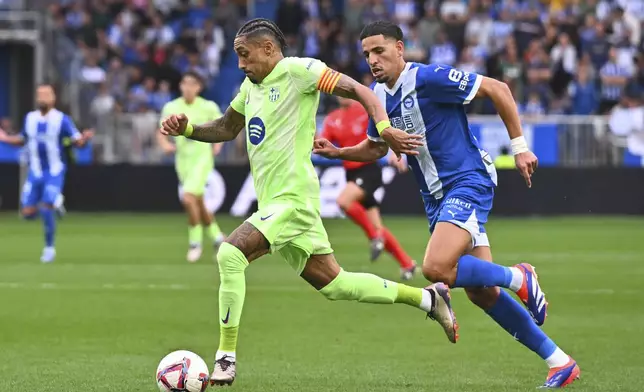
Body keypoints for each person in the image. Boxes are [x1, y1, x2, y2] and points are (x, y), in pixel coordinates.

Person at [160, 18, 457, 387]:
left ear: (268, 49)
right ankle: (429, 300)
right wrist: (187, 129)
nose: (240, 64)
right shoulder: (249, 87)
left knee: (229, 254)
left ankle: (226, 356)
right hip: (276, 203)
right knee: (337, 285)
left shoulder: (300, 70)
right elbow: (226, 127)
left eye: (244, 54)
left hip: (293, 199)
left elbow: (362, 93)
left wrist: (383, 129)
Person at [313, 21, 579, 388]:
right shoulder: (378, 94)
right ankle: (559, 361)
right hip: (436, 196)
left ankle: (520, 276)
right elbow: (376, 145)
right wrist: (339, 151)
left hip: (467, 180)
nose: (372, 60)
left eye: (379, 51)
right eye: (367, 55)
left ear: (400, 48)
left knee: (436, 267)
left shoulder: (429, 78)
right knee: (481, 292)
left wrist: (519, 148)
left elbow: (497, 88)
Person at [319, 96, 417, 279]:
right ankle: (407, 264)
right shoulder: (332, 118)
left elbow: (385, 128)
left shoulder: (365, 111)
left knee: (343, 202)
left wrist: (395, 151)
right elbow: (323, 143)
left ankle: (374, 237)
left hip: (368, 170)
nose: (341, 95)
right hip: (351, 173)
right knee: (377, 225)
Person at [0, 84, 93, 262]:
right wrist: (4, 139)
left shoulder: (62, 120)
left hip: (54, 170)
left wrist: (84, 139)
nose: (42, 98)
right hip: (34, 171)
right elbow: (22, 139)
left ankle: (49, 248)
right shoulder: (30, 118)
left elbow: (76, 141)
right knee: (27, 214)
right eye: (39, 94)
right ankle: (56, 202)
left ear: (53, 98)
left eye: (46, 94)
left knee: (46, 207)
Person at [157, 71, 226, 262]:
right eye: (185, 83)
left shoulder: (208, 106)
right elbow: (161, 132)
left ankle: (195, 243)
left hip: (202, 159)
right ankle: (218, 238)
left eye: (192, 84)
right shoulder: (172, 106)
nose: (188, 87)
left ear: (199, 87)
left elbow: (222, 126)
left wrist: (218, 145)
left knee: (188, 198)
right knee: (198, 202)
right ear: (180, 86)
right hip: (183, 162)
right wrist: (165, 145)